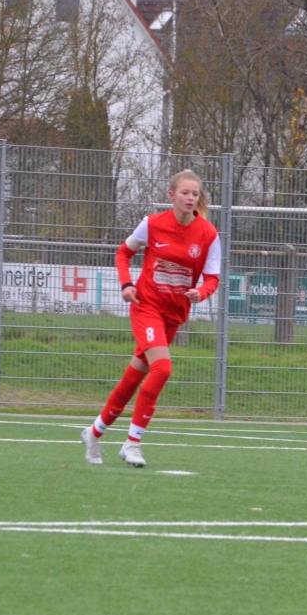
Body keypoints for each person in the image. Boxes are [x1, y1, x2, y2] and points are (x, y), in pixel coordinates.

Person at [81, 169, 220, 468]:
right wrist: (126, 284)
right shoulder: (152, 224)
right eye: (185, 192)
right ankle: (133, 443)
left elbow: (212, 278)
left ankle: (93, 433)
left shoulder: (208, 234)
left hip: (173, 315)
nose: (190, 198)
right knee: (163, 369)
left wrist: (202, 292)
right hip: (147, 307)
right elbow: (123, 253)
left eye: (195, 193)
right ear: (171, 196)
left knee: (133, 378)